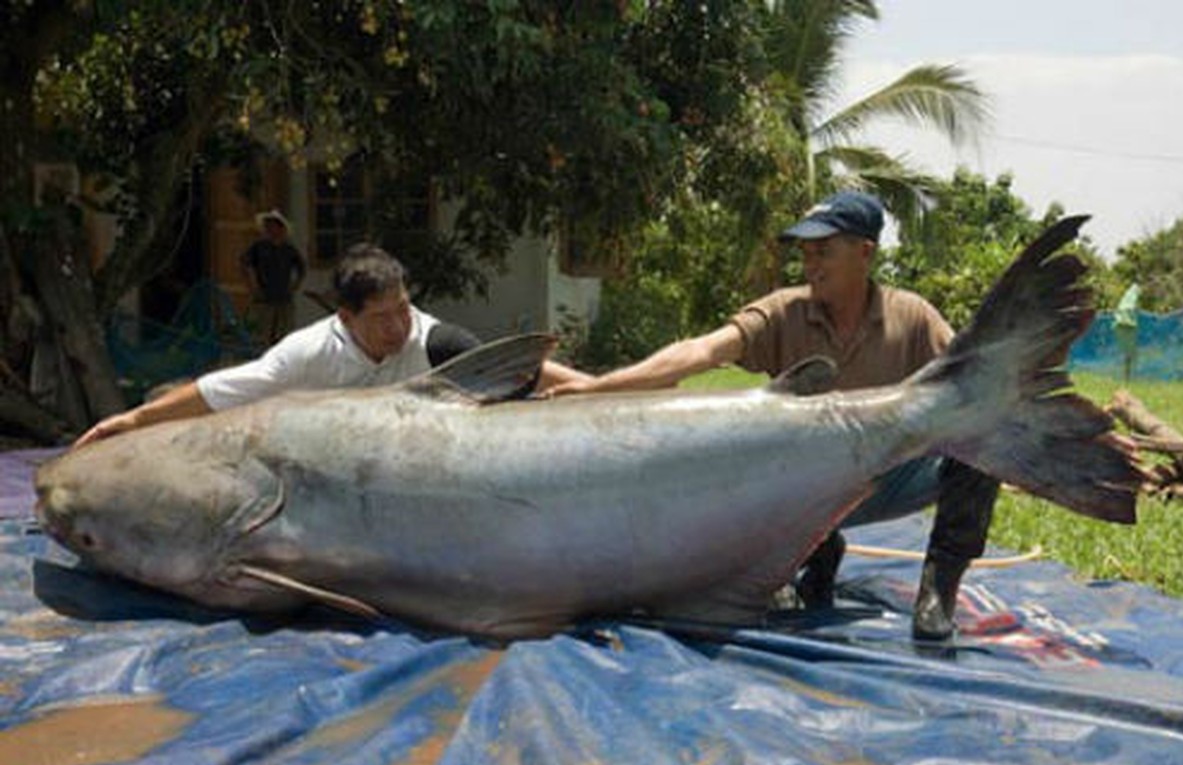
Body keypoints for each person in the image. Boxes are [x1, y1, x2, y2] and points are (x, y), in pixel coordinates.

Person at [549, 191, 1001, 640]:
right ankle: (811, 554)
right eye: (805, 254)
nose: (810, 265)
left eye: (823, 252)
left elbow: (970, 382)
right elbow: (701, 351)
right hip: (800, 490)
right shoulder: (785, 312)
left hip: (887, 478)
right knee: (734, 457)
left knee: (981, 441)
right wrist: (595, 388)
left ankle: (937, 592)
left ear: (865, 253)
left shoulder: (913, 316)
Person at [76, 243, 590, 448]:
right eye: (382, 317)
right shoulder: (305, 355)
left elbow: (525, 371)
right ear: (345, 317)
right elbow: (218, 392)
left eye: (404, 309)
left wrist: (606, 389)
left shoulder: (435, 341)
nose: (398, 327)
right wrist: (132, 422)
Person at [242, 209, 307, 344]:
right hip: (264, 298)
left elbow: (301, 268)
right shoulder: (258, 247)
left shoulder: (288, 249)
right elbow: (247, 265)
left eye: (273, 225)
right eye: (268, 225)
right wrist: (254, 286)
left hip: (283, 297)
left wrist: (295, 286)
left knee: (283, 335)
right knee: (263, 335)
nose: (270, 228)